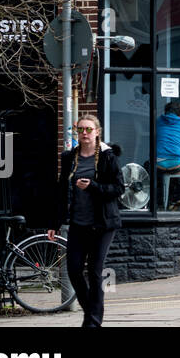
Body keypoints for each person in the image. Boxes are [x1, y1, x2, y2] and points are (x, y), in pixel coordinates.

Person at [49, 115, 123, 327]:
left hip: (103, 224)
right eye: (80, 130)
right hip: (78, 223)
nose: (84, 133)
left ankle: (92, 322)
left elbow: (118, 189)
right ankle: (91, 310)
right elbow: (61, 191)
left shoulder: (108, 157)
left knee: (94, 270)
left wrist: (93, 186)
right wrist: (55, 223)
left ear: (97, 132)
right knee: (73, 269)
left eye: (89, 129)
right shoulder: (70, 157)